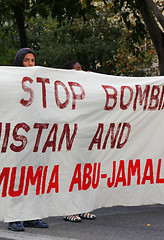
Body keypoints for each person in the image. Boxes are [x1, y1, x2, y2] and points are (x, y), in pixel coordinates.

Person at [7, 48, 49, 231]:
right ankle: (14, 218)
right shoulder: (10, 81)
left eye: (33, 60)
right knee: (17, 178)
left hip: (36, 137)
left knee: (35, 177)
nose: (30, 64)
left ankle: (32, 216)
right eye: (26, 60)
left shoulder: (40, 84)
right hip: (18, 137)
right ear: (19, 62)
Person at [61, 60, 97, 222]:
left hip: (84, 136)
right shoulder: (61, 89)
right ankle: (68, 209)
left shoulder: (86, 88)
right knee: (70, 172)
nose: (80, 71)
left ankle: (82, 208)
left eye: (81, 68)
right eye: (77, 69)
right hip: (69, 136)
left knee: (84, 172)